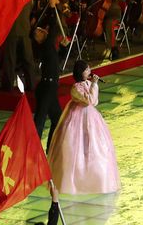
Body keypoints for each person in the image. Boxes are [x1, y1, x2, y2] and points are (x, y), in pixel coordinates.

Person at [48, 60, 121, 194]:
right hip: (77, 116)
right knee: (75, 144)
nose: (89, 71)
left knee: (94, 144)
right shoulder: (76, 88)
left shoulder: (88, 83)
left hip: (91, 116)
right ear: (80, 72)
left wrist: (93, 85)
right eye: (87, 70)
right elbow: (89, 101)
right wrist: (94, 84)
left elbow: (95, 101)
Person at [33, 0, 64, 151]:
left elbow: (58, 58)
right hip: (47, 87)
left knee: (57, 119)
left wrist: (64, 47)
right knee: (39, 120)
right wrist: (52, 7)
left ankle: (50, 148)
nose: (42, 31)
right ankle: (34, 152)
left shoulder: (49, 48)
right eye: (39, 31)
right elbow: (53, 27)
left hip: (50, 87)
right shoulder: (46, 46)